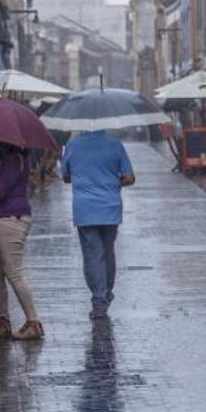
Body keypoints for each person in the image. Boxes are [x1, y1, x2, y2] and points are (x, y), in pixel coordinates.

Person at [0, 141, 43, 340]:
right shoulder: (5, 161)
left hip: (11, 219)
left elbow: (0, 191)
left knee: (14, 272)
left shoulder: (15, 160)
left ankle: (33, 322)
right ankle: (3, 320)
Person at [61, 131, 135, 319]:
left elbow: (66, 176)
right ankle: (106, 293)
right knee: (107, 252)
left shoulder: (72, 146)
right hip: (110, 208)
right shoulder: (115, 145)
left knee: (93, 255)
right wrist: (110, 182)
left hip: (85, 209)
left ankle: (99, 300)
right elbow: (129, 177)